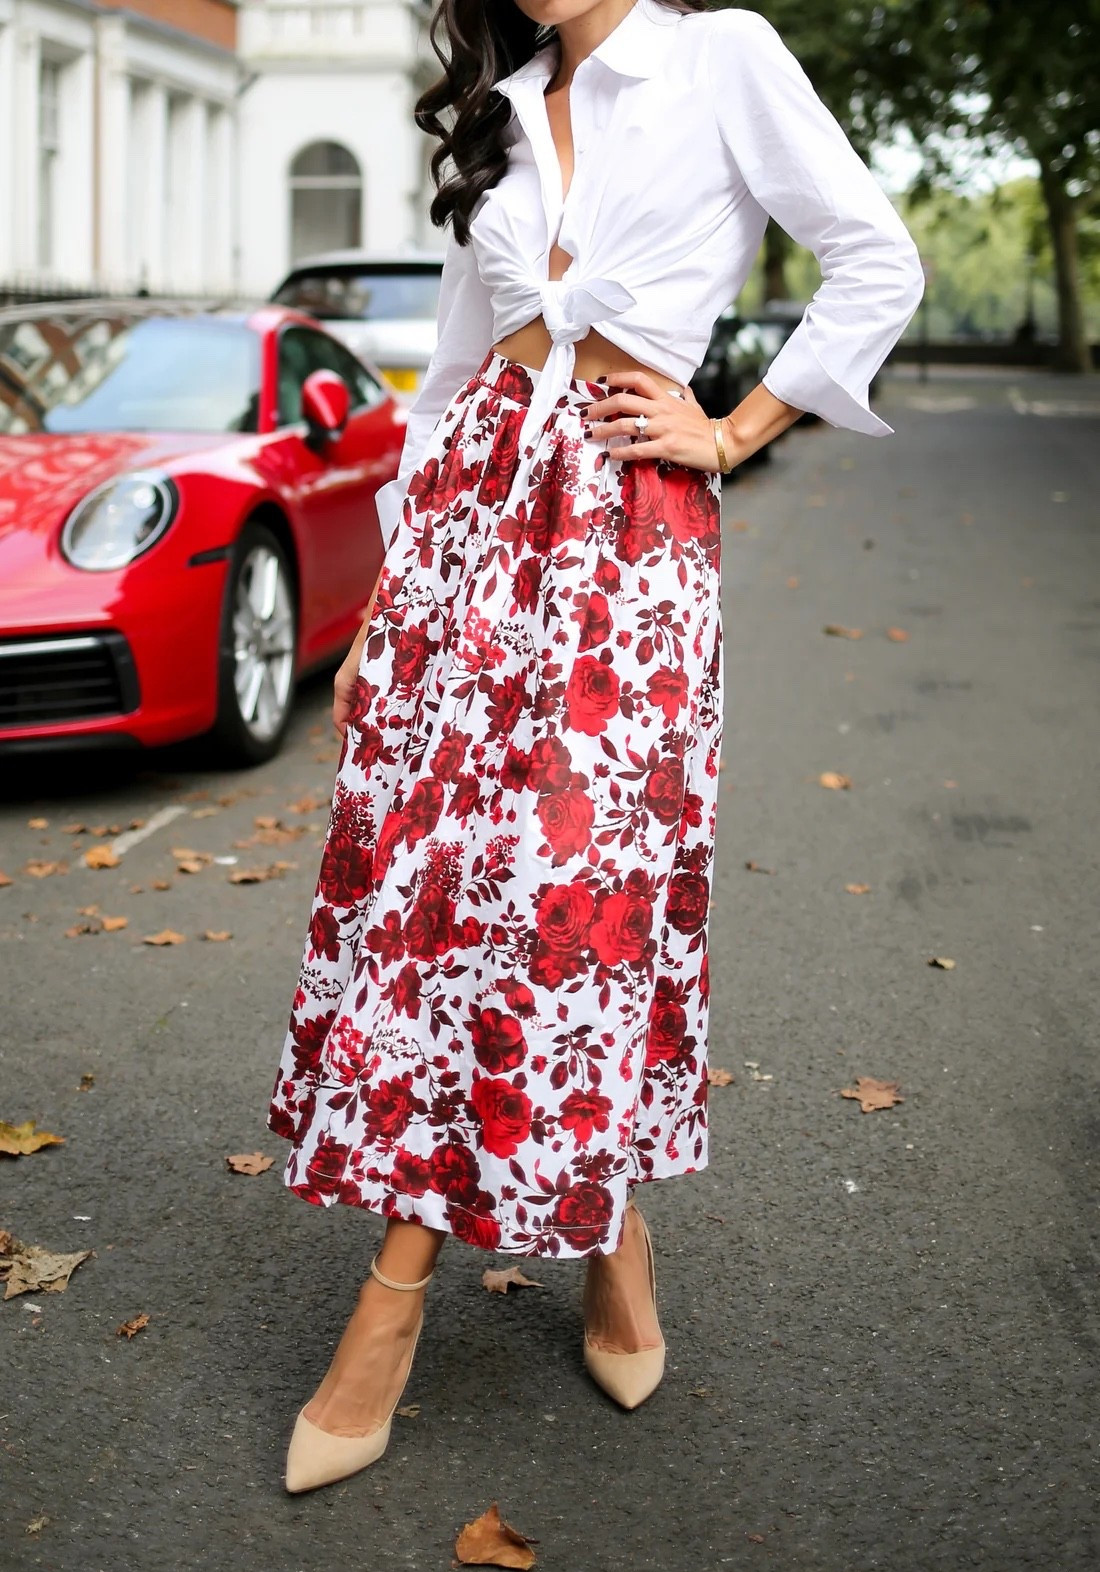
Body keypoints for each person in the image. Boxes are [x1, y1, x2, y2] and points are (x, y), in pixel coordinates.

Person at [267, 0, 924, 1494]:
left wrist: (735, 429)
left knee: (577, 903)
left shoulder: (724, 57)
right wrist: (382, 605)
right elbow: (446, 387)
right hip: (464, 544)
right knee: (430, 907)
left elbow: (878, 257)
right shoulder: (503, 103)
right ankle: (578, 1241)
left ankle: (485, 1266)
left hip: (624, 545)